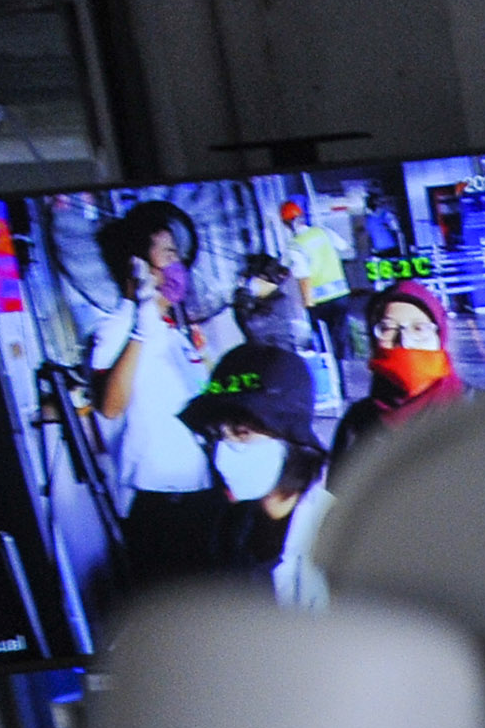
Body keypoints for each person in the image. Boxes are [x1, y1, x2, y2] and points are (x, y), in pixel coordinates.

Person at [121, 345, 337, 607]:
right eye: (216, 435)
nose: (223, 453)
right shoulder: (221, 529)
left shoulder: (342, 537)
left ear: (291, 437)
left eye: (242, 432)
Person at [85, 199, 222, 505]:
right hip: (159, 493)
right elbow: (110, 407)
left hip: (197, 480)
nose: (178, 264)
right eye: (169, 253)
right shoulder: (117, 330)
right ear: (139, 265)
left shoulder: (173, 329)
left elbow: (202, 391)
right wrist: (140, 333)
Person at [331, 288, 469, 479]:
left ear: (441, 336)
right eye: (388, 329)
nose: (405, 341)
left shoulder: (481, 409)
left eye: (419, 328)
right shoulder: (357, 424)